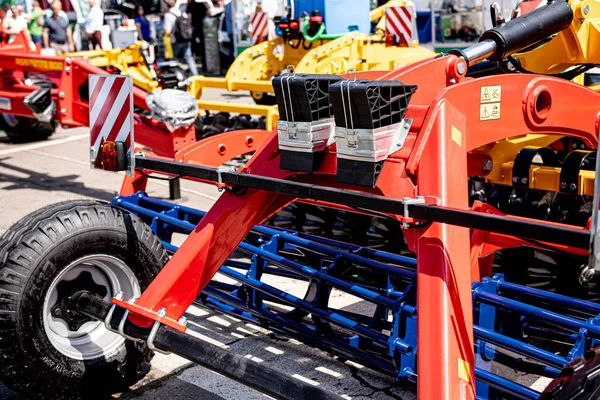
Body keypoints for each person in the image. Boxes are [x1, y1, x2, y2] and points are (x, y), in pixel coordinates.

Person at [164, 0, 198, 76]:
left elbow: (167, 31)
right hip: (186, 38)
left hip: (176, 40)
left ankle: (178, 76)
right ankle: (195, 75)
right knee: (189, 57)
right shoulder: (181, 12)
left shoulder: (168, 15)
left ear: (166, 5)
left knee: (174, 59)